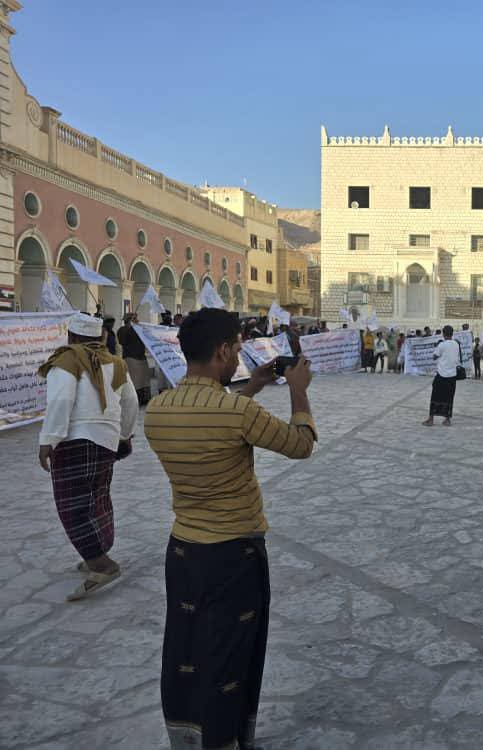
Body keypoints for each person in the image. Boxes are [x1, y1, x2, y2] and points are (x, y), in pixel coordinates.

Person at [144, 308, 316, 750]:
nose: (240, 357)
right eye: (237, 349)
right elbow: (300, 446)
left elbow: (214, 417)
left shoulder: (158, 410)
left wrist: (254, 385)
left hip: (183, 550)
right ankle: (225, 739)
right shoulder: (236, 411)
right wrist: (298, 393)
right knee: (230, 653)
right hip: (233, 553)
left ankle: (189, 736)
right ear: (223, 350)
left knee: (187, 648)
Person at [37, 312, 138, 601]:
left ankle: (101, 563)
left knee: (72, 505)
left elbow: (61, 400)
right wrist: (123, 436)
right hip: (106, 441)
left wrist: (48, 440)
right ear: (101, 337)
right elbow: (130, 402)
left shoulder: (66, 360)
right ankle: (96, 550)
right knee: (97, 498)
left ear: (71, 337)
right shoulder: (116, 363)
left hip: (75, 440)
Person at [424, 325, 460, 426]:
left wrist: (437, 347)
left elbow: (434, 357)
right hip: (452, 375)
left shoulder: (442, 345)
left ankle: (431, 419)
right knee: (449, 397)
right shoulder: (456, 344)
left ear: (443, 334)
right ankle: (447, 419)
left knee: (435, 396)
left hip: (442, 374)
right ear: (452, 334)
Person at [117, 313, 151, 405]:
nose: (137, 320)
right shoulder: (123, 330)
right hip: (131, 358)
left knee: (144, 380)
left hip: (141, 357)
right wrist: (131, 327)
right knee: (135, 381)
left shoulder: (139, 329)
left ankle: (144, 398)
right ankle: (136, 400)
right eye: (134, 319)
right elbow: (122, 341)